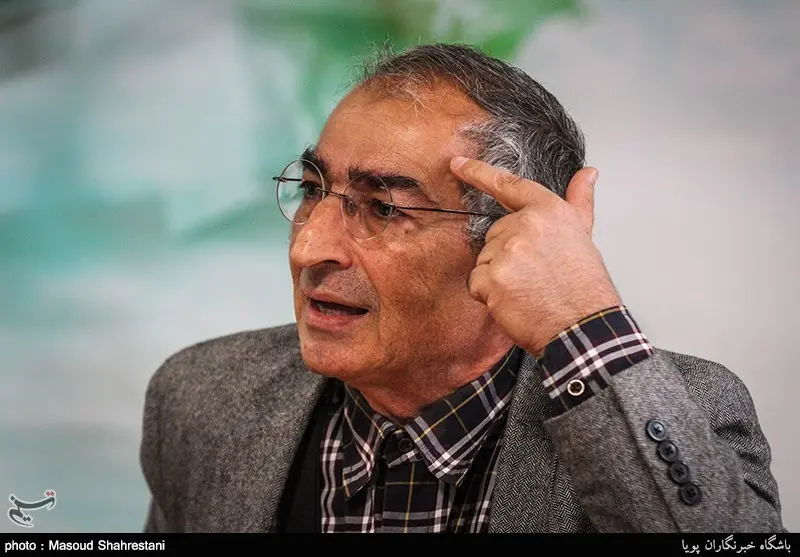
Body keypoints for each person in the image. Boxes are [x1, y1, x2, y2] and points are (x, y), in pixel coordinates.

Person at [139, 42, 785, 533]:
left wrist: (585, 327)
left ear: (511, 240)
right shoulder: (201, 398)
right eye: (312, 189)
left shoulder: (684, 409)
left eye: (383, 207)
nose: (309, 248)